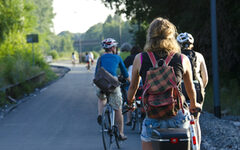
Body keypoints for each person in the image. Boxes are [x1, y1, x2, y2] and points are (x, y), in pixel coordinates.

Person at [127, 17, 202, 150]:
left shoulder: (140, 58)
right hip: (177, 114)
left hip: (152, 116)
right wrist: (194, 103)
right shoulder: (182, 59)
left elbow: (133, 86)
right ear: (172, 36)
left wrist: (130, 101)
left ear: (150, 36)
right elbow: (190, 87)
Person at [177, 32, 208, 148]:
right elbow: (205, 77)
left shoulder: (176, 56)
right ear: (192, 44)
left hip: (181, 90)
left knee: (181, 119)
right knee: (196, 121)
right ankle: (198, 146)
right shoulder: (199, 56)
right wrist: (202, 89)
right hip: (197, 88)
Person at [95, 38, 130, 141]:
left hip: (101, 83)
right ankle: (120, 133)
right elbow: (125, 73)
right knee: (118, 108)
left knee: (101, 98)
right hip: (113, 83)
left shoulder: (100, 58)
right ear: (113, 47)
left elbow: (97, 72)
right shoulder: (117, 58)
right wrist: (130, 82)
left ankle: (100, 114)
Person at [123, 46, 143, 126]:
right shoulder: (142, 57)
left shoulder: (129, 58)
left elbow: (123, 69)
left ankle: (128, 119)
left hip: (130, 80)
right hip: (142, 81)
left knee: (129, 99)